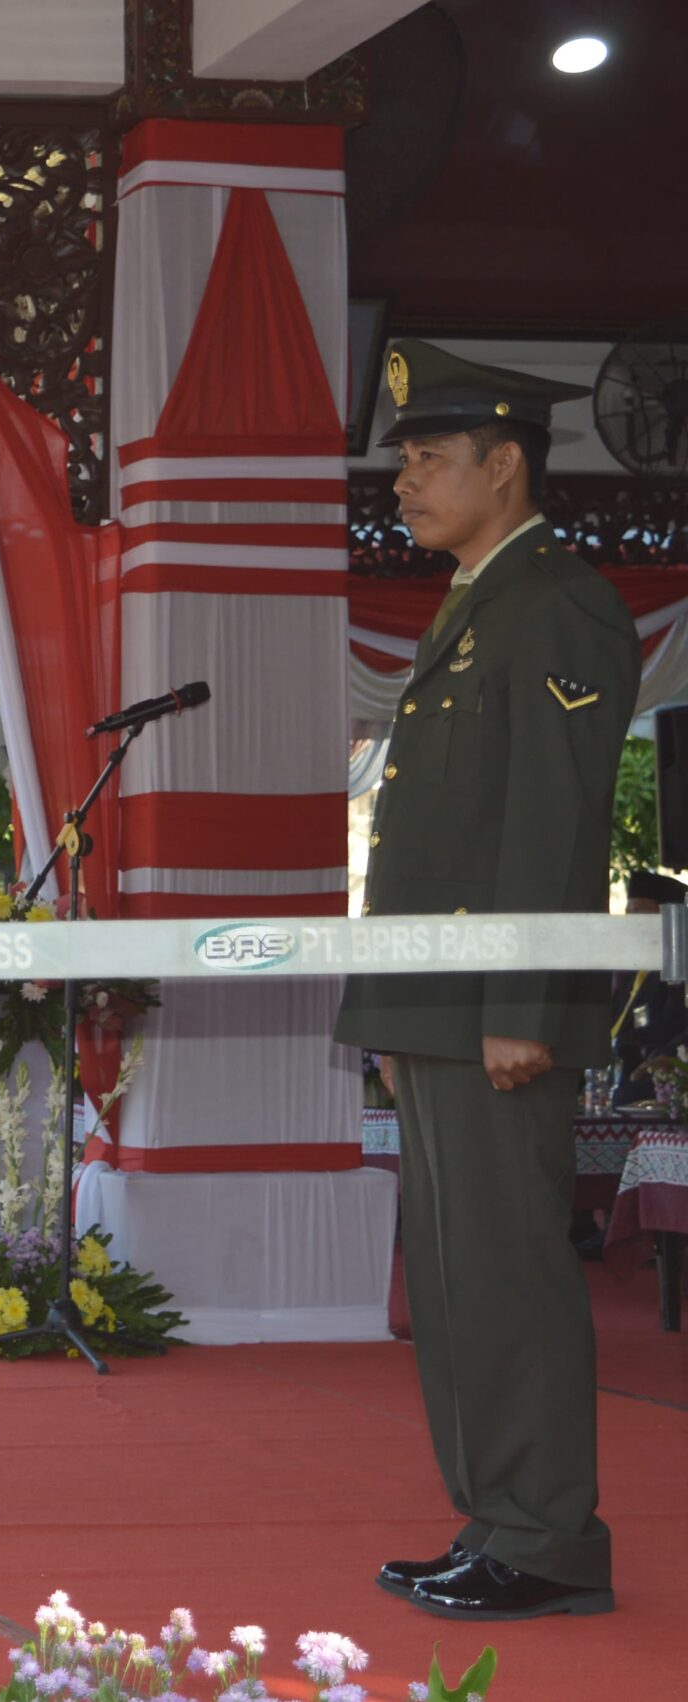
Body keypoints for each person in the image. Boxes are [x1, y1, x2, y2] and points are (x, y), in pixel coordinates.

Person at [335, 340, 633, 1622]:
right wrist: (401, 1010)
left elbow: (551, 821)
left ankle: (545, 1536)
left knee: (507, 1270)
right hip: (440, 1000)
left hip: (496, 1002)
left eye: (427, 457)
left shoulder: (554, 601)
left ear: (504, 466)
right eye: (403, 457)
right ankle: (500, 1519)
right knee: (454, 1281)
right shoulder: (478, 600)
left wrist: (515, 997)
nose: (403, 480)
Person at [610, 872, 687, 1107]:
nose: (632, 922)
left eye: (640, 913)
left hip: (651, 1067)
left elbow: (669, 1027)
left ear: (667, 917)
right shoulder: (633, 973)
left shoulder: (677, 973)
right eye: (628, 913)